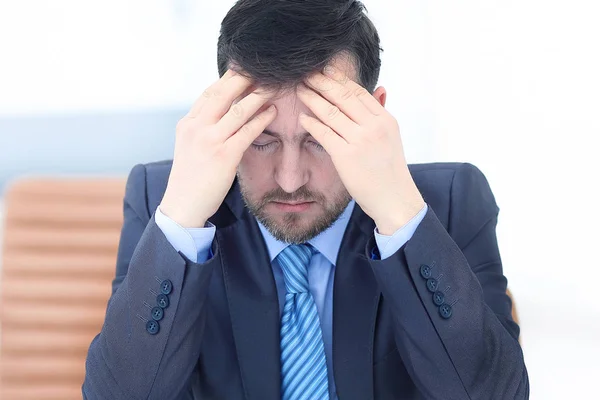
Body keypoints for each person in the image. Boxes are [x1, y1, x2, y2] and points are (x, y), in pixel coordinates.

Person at [83, 0, 529, 399]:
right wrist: (181, 219)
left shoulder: (450, 202)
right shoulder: (167, 201)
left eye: (320, 137)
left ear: (374, 119)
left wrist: (401, 219)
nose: (290, 179)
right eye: (262, 141)